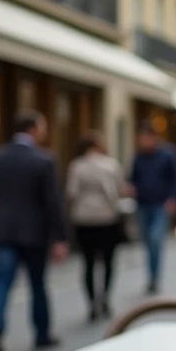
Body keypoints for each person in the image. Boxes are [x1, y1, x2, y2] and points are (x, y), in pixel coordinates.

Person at [0, 110, 68, 351]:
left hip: (2, 233)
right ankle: (42, 333)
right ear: (33, 129)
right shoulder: (43, 160)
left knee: (1, 283)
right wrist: (60, 238)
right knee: (37, 285)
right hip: (34, 234)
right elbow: (53, 203)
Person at [65, 130, 125, 321]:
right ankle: (105, 298)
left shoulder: (76, 166)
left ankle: (91, 302)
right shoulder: (110, 165)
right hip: (107, 217)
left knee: (88, 262)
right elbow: (117, 191)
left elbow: (71, 192)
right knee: (108, 261)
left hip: (83, 218)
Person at [127, 122, 176, 294]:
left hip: (160, 204)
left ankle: (154, 278)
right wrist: (130, 188)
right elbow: (132, 178)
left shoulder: (167, 155)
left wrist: (173, 199)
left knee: (155, 239)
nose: (143, 142)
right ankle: (151, 276)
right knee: (148, 242)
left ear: (153, 137)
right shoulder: (138, 158)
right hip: (143, 204)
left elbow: (175, 179)